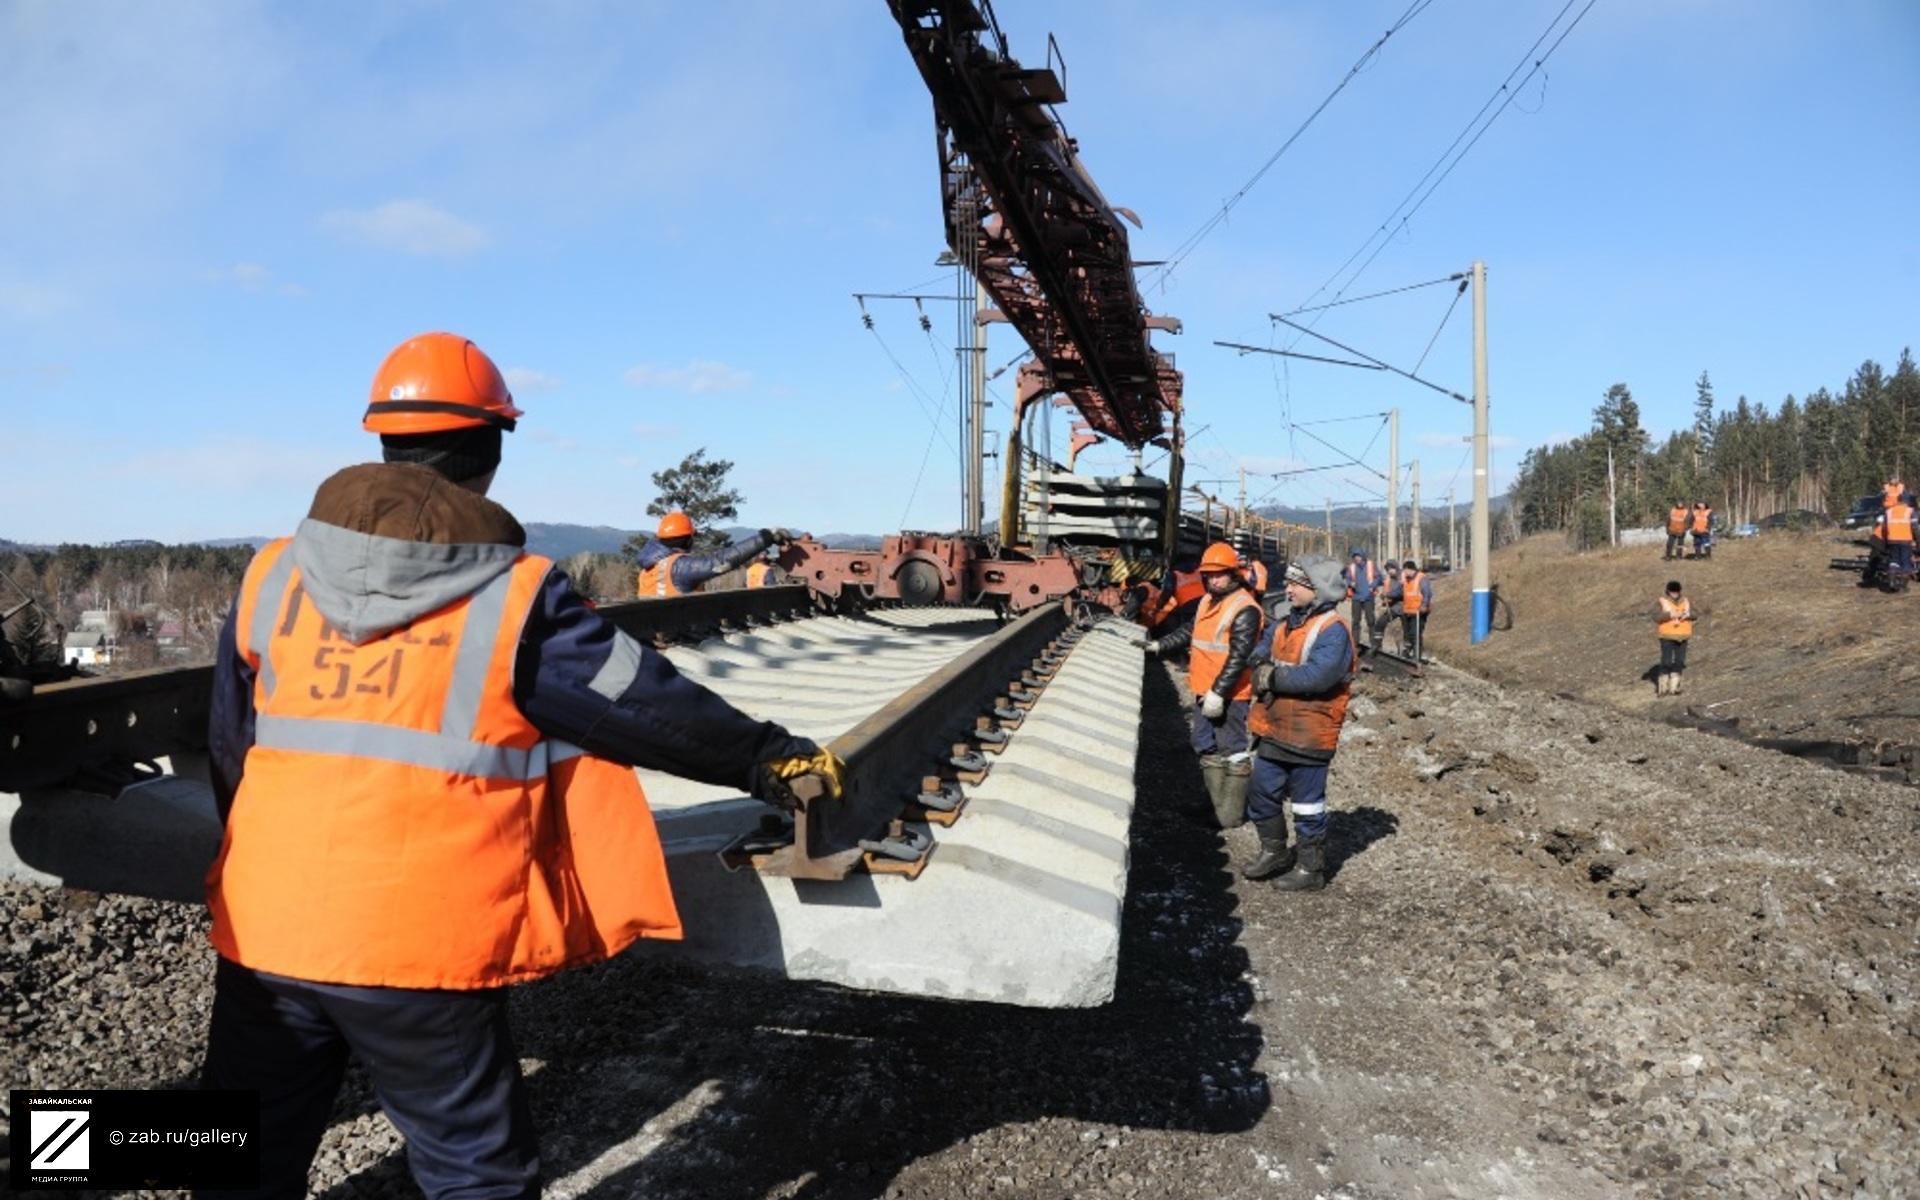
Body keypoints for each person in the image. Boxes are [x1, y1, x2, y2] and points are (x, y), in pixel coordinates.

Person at [200, 332, 846, 1200]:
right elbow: (646, 708)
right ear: (491, 448)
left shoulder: (272, 575)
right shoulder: (513, 594)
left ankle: (54, 1148)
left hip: (265, 920)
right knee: (475, 1170)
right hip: (417, 941)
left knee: (230, 1140)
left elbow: (230, 753)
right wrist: (768, 756)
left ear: (383, 438)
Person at [1243, 560, 1355, 892]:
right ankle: (1274, 852)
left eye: (1296, 584)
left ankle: (1311, 869)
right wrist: (1261, 667)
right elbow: (1258, 655)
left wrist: (1271, 676)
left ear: (1317, 589)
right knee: (1261, 792)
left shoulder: (1333, 630)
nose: (1288, 589)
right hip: (1274, 728)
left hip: (1309, 734)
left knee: (1307, 805)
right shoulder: (1283, 624)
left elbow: (1318, 677)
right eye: (1288, 583)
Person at [1135, 542, 1264, 828]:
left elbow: (1239, 657)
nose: (1214, 579)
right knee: (1205, 744)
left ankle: (1229, 814)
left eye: (1220, 574)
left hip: (1230, 695)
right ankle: (1213, 804)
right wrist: (1158, 645)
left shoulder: (1245, 609)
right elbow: (1188, 631)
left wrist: (1219, 693)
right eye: (1209, 574)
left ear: (1234, 573)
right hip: (1205, 689)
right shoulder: (1208, 600)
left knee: (1233, 748)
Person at [635, 513, 794, 597]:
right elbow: (719, 562)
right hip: (674, 635)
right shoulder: (678, 566)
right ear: (687, 539)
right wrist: (766, 538)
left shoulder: (649, 567)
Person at [1655, 579, 1693, 695]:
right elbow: (1655, 616)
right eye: (1673, 592)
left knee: (1679, 661)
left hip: (1683, 636)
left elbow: (1697, 613)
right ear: (1668, 592)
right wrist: (1670, 615)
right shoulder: (1662, 602)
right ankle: (1663, 686)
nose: (1675, 594)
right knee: (1666, 661)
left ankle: (1675, 686)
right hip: (1667, 636)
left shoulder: (1685, 601)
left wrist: (1688, 615)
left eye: (1677, 592)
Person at [1341, 547, 1382, 654]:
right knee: (1356, 621)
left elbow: (1378, 577)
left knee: (1371, 621)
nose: (1357, 558)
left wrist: (1373, 585)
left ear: (1363, 556)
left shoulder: (1370, 565)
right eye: (1355, 557)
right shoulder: (1352, 567)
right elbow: (1346, 578)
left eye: (1358, 556)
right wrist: (1350, 583)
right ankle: (1355, 644)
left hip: (1369, 596)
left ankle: (1373, 644)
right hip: (1356, 597)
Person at [1875, 493, 1915, 588]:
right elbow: (1915, 527)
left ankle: (1892, 582)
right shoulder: (1910, 511)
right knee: (1905, 562)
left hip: (1892, 540)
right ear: (1907, 501)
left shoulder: (1889, 511)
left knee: (1894, 561)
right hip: (1905, 540)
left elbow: (1884, 527)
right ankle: (1903, 585)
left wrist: (1885, 540)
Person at [1397, 559, 1431, 661]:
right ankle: (1408, 652)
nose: (1404, 573)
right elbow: (1400, 592)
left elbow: (1427, 593)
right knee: (1409, 634)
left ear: (1409, 569)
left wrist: (1424, 605)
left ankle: (1417, 656)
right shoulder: (1406, 580)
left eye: (1405, 570)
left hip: (1419, 611)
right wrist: (1388, 594)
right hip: (1408, 611)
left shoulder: (1421, 578)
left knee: (1415, 633)